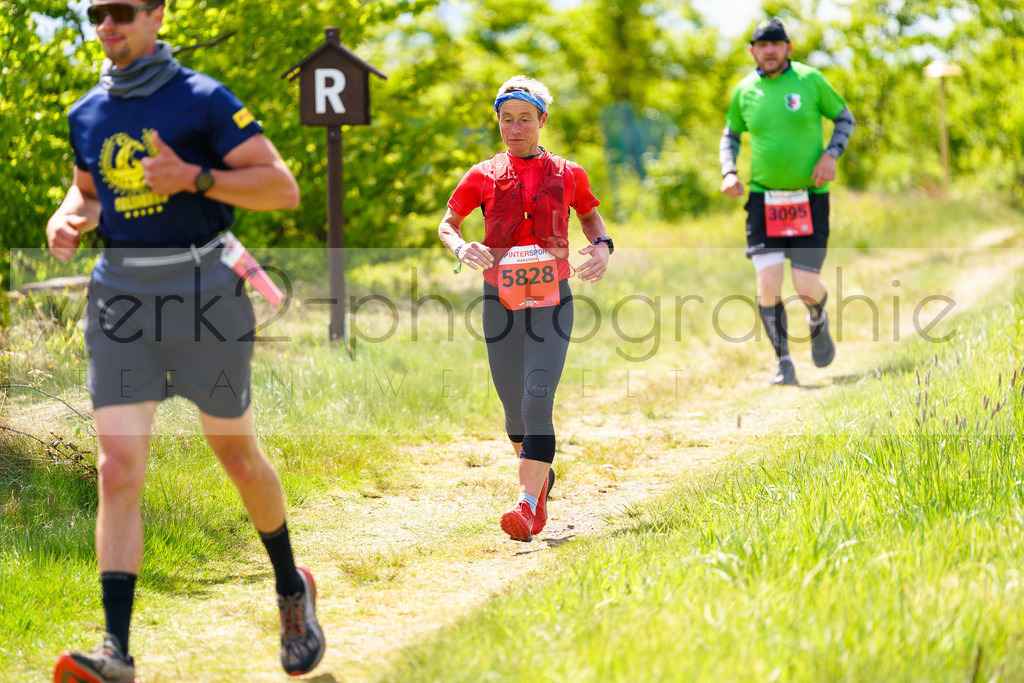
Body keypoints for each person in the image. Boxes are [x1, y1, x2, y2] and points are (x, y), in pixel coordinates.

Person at [46, 2, 324, 680]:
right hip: (120, 297)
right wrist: (68, 216)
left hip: (205, 291)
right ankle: (116, 648)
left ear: (157, 15)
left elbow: (280, 189)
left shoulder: (201, 99)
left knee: (234, 452)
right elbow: (90, 193)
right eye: (96, 12)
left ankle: (291, 587)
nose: (107, 23)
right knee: (118, 469)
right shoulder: (87, 112)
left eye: (122, 12)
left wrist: (195, 177)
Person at [438, 76, 613, 542]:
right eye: (506, 119)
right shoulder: (481, 173)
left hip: (552, 300)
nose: (515, 128)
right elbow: (448, 224)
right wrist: (460, 248)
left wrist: (602, 246)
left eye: (524, 119)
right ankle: (540, 475)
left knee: (538, 398)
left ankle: (527, 504)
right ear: (498, 121)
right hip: (501, 300)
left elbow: (590, 214)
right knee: (514, 409)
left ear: (542, 121)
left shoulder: (568, 172)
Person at [720, 17, 855, 386]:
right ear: (753, 51)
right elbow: (729, 136)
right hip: (764, 200)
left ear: (788, 48)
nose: (769, 50)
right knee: (768, 284)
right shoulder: (744, 91)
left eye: (776, 44)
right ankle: (784, 362)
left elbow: (845, 118)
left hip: (810, 198)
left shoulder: (811, 81)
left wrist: (831, 155)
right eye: (762, 45)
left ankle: (817, 318)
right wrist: (728, 171)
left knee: (806, 286)